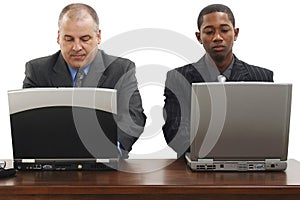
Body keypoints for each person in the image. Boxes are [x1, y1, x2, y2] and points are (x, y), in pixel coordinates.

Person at [23, 3, 146, 158]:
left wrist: (111, 149)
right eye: (68, 39)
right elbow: (27, 122)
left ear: (98, 37)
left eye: (84, 39)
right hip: (53, 160)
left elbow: (133, 117)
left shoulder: (121, 69)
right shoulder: (37, 71)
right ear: (58, 37)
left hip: (106, 160)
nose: (76, 47)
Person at [163, 4, 273, 158]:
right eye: (209, 32)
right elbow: (175, 129)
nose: (217, 37)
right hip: (195, 165)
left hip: (249, 165)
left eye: (224, 30)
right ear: (199, 37)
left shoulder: (262, 77)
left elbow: (268, 130)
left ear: (235, 33)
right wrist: (211, 154)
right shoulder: (178, 78)